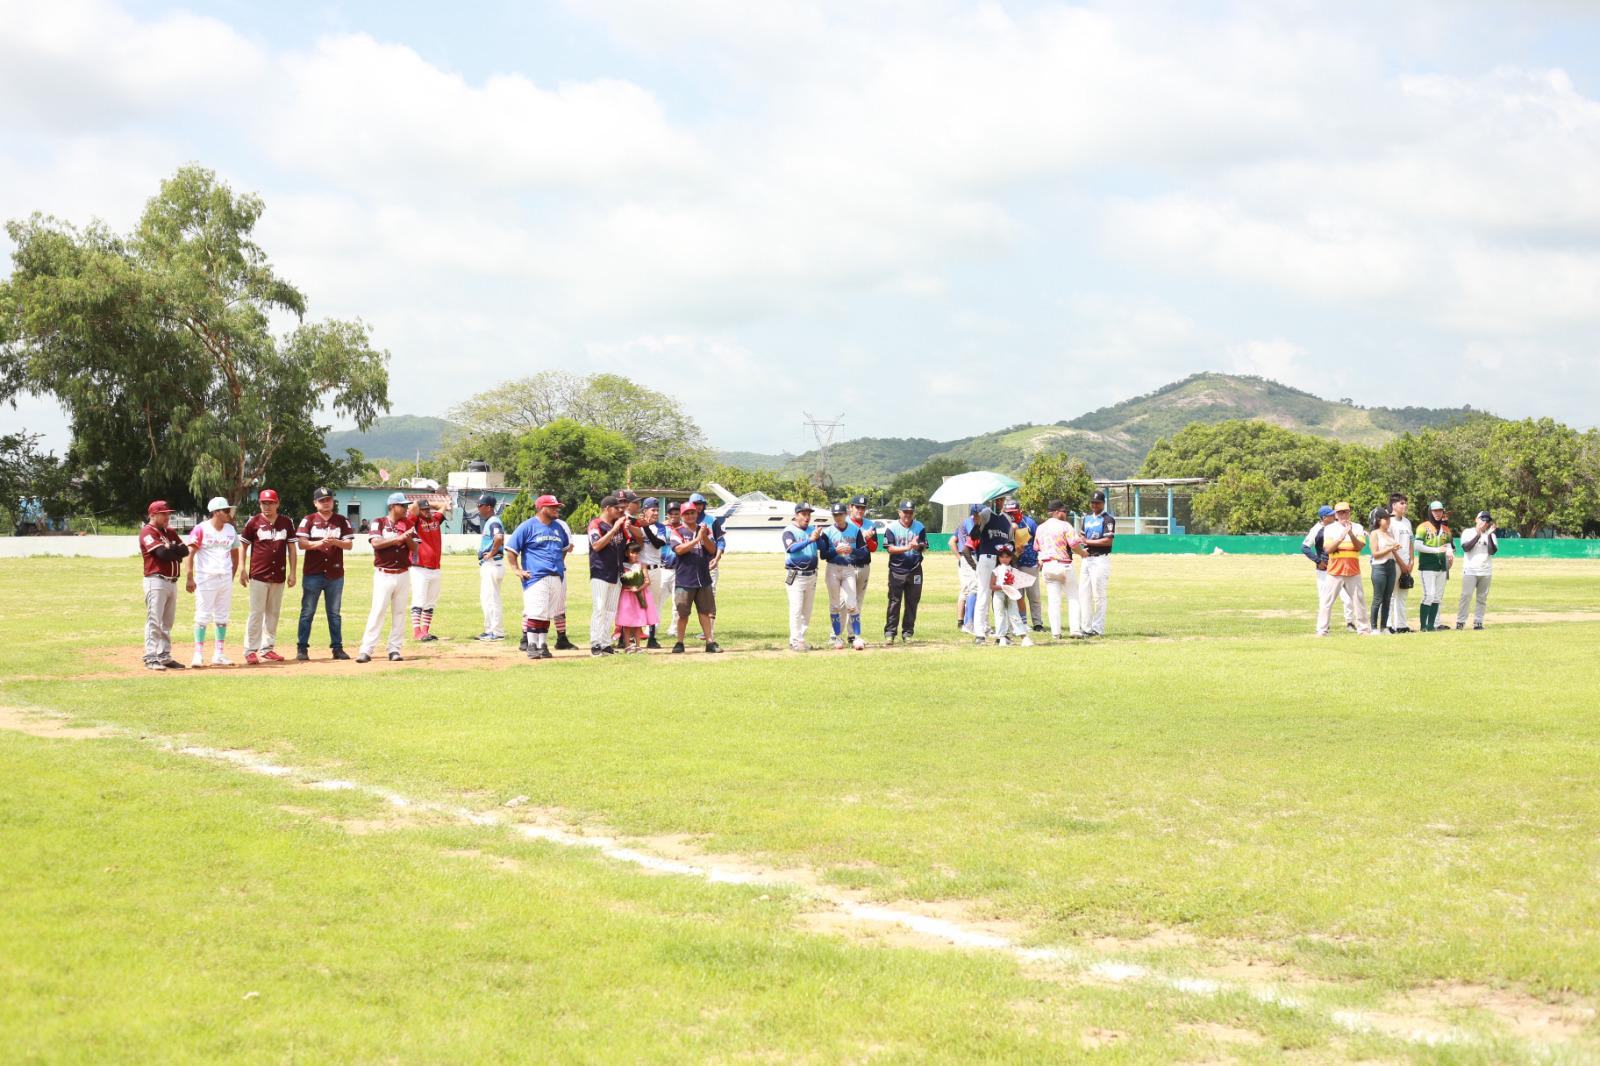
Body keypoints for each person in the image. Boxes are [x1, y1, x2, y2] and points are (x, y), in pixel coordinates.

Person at [505, 494, 570, 659]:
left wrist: (558, 565)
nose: (557, 509)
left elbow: (564, 548)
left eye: (557, 506)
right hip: (535, 576)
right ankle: (531, 644)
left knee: (547, 612)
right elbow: (512, 549)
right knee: (536, 611)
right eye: (553, 507)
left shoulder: (558, 528)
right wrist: (517, 570)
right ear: (542, 508)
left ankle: (543, 645)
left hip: (556, 575)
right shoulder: (527, 526)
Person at [240, 488, 297, 664]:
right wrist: (242, 568)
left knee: (273, 613)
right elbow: (243, 546)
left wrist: (293, 572)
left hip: (278, 575)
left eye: (271, 502)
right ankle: (250, 650)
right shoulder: (254, 522)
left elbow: (292, 549)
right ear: (260, 504)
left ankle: (267, 648)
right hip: (258, 574)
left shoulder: (286, 522)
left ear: (277, 503)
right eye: (264, 503)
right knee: (256, 613)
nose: (267, 506)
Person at [357, 492, 416, 663]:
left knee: (399, 613)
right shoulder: (379, 522)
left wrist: (408, 537)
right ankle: (366, 650)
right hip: (384, 573)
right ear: (392, 506)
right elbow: (376, 543)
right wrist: (399, 538)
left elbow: (416, 548)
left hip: (403, 573)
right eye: (402, 505)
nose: (406, 508)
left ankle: (394, 649)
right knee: (378, 611)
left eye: (406, 505)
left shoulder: (408, 523)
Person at [295, 487, 353, 660]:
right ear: (315, 503)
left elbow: (349, 544)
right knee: (307, 612)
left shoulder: (342, 521)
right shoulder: (308, 520)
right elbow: (302, 544)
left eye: (328, 499)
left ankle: (337, 648)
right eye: (322, 500)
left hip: (335, 574)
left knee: (334, 613)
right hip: (313, 573)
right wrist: (320, 543)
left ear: (333, 501)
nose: (326, 502)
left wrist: (335, 541)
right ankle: (302, 648)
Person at [185, 497, 241, 666]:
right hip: (206, 578)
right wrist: (189, 577)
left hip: (224, 579)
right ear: (216, 512)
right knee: (202, 616)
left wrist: (231, 576)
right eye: (226, 511)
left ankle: (219, 654)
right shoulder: (201, 529)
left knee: (222, 616)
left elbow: (235, 554)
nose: (229, 514)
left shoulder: (230, 530)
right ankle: (198, 654)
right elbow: (190, 554)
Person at [138, 500, 187, 670]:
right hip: (156, 580)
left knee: (167, 622)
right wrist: (173, 552)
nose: (167, 517)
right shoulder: (147, 532)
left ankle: (164, 655)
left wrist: (171, 547)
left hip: (172, 582)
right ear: (153, 515)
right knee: (154, 620)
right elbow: (161, 553)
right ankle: (150, 657)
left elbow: (185, 551)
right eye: (163, 514)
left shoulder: (170, 532)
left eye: (168, 513)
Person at [668, 499, 722, 653]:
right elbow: (678, 549)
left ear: (697, 513)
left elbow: (712, 550)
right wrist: (697, 539)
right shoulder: (677, 531)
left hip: (703, 577)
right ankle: (679, 642)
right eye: (687, 513)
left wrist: (703, 536)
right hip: (685, 578)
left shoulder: (704, 529)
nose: (690, 515)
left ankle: (709, 642)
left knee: (705, 612)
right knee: (683, 613)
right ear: (682, 515)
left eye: (692, 512)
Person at [1314, 502, 1371, 636]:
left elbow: (1359, 547)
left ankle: (1363, 630)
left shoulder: (1357, 527)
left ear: (1349, 512)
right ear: (1336, 514)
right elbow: (1328, 549)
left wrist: (1350, 534)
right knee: (1326, 602)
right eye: (1340, 512)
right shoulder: (1330, 528)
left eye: (1345, 511)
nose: (1343, 514)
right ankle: (1322, 630)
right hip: (1335, 571)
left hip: (1353, 570)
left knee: (1359, 602)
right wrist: (1341, 537)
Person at [961, 501, 1013, 646]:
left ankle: (1002, 634)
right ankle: (979, 633)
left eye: (1002, 499)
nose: (1000, 502)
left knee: (1001, 597)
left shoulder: (1007, 519)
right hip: (987, 557)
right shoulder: (986, 513)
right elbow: (975, 536)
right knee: (983, 595)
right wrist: (977, 522)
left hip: (1002, 561)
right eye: (998, 499)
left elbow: (1011, 542)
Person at [819, 502, 867, 651]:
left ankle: (857, 637)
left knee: (851, 603)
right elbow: (823, 555)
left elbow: (864, 553)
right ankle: (837, 637)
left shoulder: (855, 530)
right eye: (835, 515)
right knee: (834, 604)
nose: (838, 517)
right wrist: (836, 551)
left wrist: (851, 550)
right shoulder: (827, 532)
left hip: (848, 569)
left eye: (840, 514)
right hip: (832, 568)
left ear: (846, 514)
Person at [1035, 500, 1085, 640]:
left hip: (1047, 565)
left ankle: (1056, 632)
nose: (1066, 514)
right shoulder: (1065, 525)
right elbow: (1074, 545)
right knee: (1073, 598)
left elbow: (1037, 547)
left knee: (1053, 601)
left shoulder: (1040, 528)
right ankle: (1075, 630)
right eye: (1064, 511)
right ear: (1056, 512)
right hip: (1063, 564)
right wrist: (1083, 554)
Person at [1301, 505, 1356, 631]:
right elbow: (1304, 547)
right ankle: (1324, 625)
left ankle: (1350, 623)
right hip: (1324, 570)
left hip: (1340, 566)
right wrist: (1318, 561)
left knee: (1347, 598)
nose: (1334, 516)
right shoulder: (1316, 529)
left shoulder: (1337, 526)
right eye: (1332, 515)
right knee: (1324, 599)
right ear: (1324, 517)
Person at [587, 495, 628, 656]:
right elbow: (596, 545)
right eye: (616, 507)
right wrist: (614, 529)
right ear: (607, 508)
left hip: (615, 572)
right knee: (599, 608)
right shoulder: (595, 524)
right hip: (600, 571)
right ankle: (595, 644)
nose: (620, 510)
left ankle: (605, 643)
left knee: (610, 610)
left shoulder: (617, 525)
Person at [882, 499, 927, 643]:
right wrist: (908, 547)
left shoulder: (919, 527)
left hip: (915, 569)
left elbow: (924, 545)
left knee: (912, 602)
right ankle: (890, 633)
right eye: (905, 512)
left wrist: (918, 545)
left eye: (910, 512)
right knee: (894, 601)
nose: (908, 515)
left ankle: (907, 633)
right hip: (897, 570)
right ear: (899, 512)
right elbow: (890, 548)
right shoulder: (892, 527)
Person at [781, 502, 823, 651]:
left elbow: (823, 550)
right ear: (796, 515)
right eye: (804, 514)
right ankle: (794, 641)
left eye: (809, 514)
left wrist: (820, 538)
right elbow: (791, 548)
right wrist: (810, 539)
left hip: (812, 574)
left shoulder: (812, 530)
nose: (807, 517)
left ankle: (800, 639)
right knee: (796, 609)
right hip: (796, 575)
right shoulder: (789, 531)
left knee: (807, 611)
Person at [406, 497, 448, 642]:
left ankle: (425, 631)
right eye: (423, 509)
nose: (427, 511)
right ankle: (417, 632)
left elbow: (444, 505)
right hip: (420, 567)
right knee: (418, 600)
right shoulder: (415, 521)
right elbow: (412, 508)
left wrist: (429, 504)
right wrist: (419, 505)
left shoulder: (435, 519)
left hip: (435, 567)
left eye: (428, 509)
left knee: (430, 602)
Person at [1413, 501, 1455, 632]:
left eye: (1440, 511)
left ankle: (1431, 626)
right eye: (1435, 511)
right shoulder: (1423, 527)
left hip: (1442, 567)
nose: (1437, 513)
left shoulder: (1446, 530)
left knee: (1437, 597)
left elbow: (1448, 547)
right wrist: (1437, 550)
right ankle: (1423, 626)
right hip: (1427, 566)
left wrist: (1450, 554)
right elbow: (1417, 546)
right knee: (1428, 595)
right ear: (1430, 512)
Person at [1002, 499, 1042, 631]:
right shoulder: (1004, 524)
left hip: (1030, 563)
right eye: (1009, 512)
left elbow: (1039, 540)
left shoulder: (1029, 522)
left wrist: (1040, 558)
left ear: (1020, 511)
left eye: (1014, 512)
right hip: (1013, 565)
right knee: (1017, 596)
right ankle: (1021, 623)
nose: (1011, 515)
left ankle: (1037, 623)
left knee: (1034, 596)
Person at [1079, 490, 1115, 637]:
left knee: (1098, 595)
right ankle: (1085, 627)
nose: (1094, 505)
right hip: (1087, 558)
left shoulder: (1108, 519)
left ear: (1103, 503)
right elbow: (1082, 535)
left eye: (1097, 502)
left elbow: (1108, 540)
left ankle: (1098, 628)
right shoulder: (1086, 518)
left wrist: (1088, 541)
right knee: (1084, 594)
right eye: (1092, 502)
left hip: (1100, 559)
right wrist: (1081, 541)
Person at [1455, 511, 1498, 630]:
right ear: (1476, 520)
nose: (1485, 522)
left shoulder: (1491, 535)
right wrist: (1478, 535)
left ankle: (1478, 622)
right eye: (1482, 519)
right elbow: (1465, 548)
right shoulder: (1468, 532)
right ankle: (1460, 622)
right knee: (1466, 596)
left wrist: (1488, 535)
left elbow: (1492, 551)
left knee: (1482, 598)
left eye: (1487, 520)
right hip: (1470, 570)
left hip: (1486, 571)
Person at [645, 499, 679, 649]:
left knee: (666, 603)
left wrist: (645, 528)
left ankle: (656, 634)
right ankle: (629, 636)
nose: (656, 513)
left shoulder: (661, 528)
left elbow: (658, 543)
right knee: (640, 603)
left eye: (657, 510)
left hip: (663, 569)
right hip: (648, 568)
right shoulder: (638, 526)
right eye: (653, 510)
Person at [1367, 506, 1406, 634]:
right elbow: (1375, 553)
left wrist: (1396, 552)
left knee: (1387, 598)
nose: (1388, 521)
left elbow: (1392, 552)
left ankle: (1384, 626)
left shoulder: (1389, 533)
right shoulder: (1374, 533)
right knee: (1378, 598)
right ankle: (1373, 627)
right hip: (1379, 567)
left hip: (1391, 566)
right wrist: (1391, 548)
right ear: (1378, 520)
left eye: (1389, 519)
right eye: (1385, 519)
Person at [989, 543, 1035, 646]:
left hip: (1011, 595)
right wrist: (1002, 587)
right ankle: (1002, 638)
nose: (1004, 559)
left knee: (1014, 614)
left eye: (1007, 556)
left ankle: (1024, 637)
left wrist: (1011, 589)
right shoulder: (995, 571)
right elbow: (991, 586)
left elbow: (1016, 583)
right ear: (998, 558)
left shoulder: (1013, 570)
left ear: (1011, 557)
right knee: (999, 615)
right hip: (998, 595)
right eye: (1002, 557)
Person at [616, 539, 657, 653]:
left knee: (638, 621)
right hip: (626, 596)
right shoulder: (623, 566)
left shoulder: (642, 565)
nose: (635, 555)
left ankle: (638, 646)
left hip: (639, 595)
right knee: (626, 621)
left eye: (637, 553)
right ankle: (627, 645)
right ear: (627, 553)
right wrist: (627, 587)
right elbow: (620, 581)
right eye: (633, 552)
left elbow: (647, 581)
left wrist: (638, 588)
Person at [474, 494, 506, 641]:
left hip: (493, 564)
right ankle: (489, 630)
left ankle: (497, 632)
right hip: (492, 565)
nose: (478, 508)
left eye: (480, 506)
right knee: (487, 599)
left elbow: (499, 537)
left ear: (489, 507)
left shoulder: (493, 521)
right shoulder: (490, 521)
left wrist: (491, 553)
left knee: (491, 600)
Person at [847, 495, 878, 629]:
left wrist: (869, 539)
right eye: (857, 507)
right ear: (850, 507)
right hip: (847, 565)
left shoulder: (870, 525)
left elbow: (874, 548)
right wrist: (861, 537)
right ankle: (835, 635)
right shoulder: (845, 523)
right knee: (845, 601)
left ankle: (853, 634)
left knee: (858, 601)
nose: (860, 510)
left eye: (862, 508)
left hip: (864, 566)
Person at [1386, 493, 1415, 633]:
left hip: (1406, 563)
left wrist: (1412, 560)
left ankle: (1402, 625)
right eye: (1402, 503)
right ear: (1394, 505)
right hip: (1393, 562)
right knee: (1390, 595)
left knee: (1402, 595)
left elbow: (1411, 542)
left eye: (1405, 503)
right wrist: (1402, 564)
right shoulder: (1388, 521)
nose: (1405, 505)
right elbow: (1389, 546)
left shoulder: (1407, 522)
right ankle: (1388, 625)